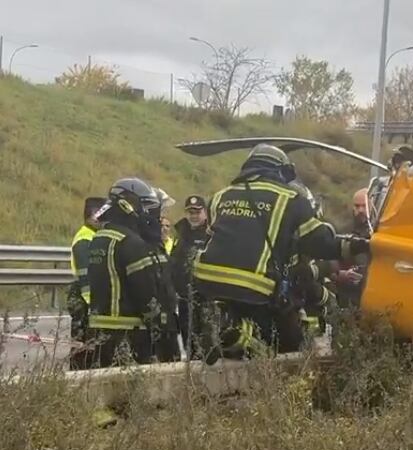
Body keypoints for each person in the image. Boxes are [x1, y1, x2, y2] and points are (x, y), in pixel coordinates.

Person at [194, 143, 369, 362]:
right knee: (282, 340)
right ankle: (234, 333)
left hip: (206, 279)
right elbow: (321, 243)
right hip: (253, 285)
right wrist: (359, 245)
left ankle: (225, 328)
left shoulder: (220, 196)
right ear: (278, 171)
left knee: (242, 330)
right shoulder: (291, 200)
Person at [86, 178, 179, 367]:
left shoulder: (100, 238)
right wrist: (160, 326)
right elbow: (145, 292)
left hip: (100, 330)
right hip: (129, 333)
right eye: (146, 206)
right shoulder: (131, 243)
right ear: (127, 206)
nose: (149, 214)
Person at [67, 196, 106, 370]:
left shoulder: (94, 236)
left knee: (91, 346)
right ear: (92, 215)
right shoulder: (85, 239)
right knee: (81, 345)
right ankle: (77, 377)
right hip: (83, 298)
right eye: (103, 215)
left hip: (89, 296)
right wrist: (93, 304)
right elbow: (85, 276)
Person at [170, 195, 210, 358]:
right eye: (190, 212)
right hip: (183, 298)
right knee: (188, 342)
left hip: (204, 298)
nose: (193, 216)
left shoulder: (210, 234)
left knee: (205, 341)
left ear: (205, 213)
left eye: (197, 212)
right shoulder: (181, 232)